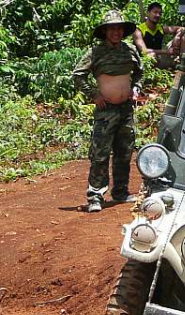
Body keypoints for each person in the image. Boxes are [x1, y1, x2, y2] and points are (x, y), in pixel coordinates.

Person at [72, 10, 143, 213]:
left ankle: (120, 192)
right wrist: (94, 94)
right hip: (106, 111)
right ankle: (95, 197)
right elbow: (78, 75)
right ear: (105, 32)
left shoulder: (129, 50)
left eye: (119, 28)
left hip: (126, 109)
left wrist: (136, 88)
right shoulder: (96, 52)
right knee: (100, 154)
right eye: (112, 29)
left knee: (124, 151)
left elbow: (139, 73)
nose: (116, 32)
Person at [133, 2, 185, 69]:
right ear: (148, 13)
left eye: (160, 13)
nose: (157, 15)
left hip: (161, 58)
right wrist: (166, 52)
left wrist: (177, 37)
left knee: (183, 37)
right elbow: (144, 51)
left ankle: (182, 64)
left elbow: (182, 29)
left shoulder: (161, 28)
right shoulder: (138, 30)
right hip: (144, 63)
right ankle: (152, 77)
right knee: (151, 55)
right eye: (155, 12)